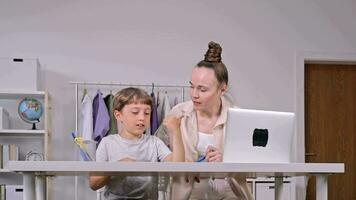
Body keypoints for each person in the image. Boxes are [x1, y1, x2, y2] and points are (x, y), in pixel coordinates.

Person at [156, 41, 253, 199]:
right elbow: (157, 149)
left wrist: (228, 160)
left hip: (230, 194)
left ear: (222, 89)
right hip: (187, 195)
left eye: (202, 89)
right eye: (191, 86)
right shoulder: (178, 113)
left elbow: (255, 162)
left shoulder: (239, 118)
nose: (194, 94)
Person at [89, 87, 184, 199]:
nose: (142, 118)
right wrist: (116, 168)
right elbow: (94, 184)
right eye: (135, 112)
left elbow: (178, 168)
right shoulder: (107, 143)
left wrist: (176, 131)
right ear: (118, 115)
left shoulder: (154, 143)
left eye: (147, 113)